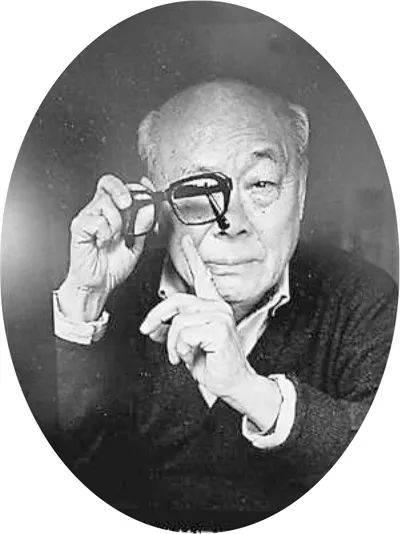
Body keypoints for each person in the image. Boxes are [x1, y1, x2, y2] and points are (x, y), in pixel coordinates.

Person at [53, 79, 397, 531]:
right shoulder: (111, 294)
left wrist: (247, 388)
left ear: (300, 193)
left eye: (261, 184)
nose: (230, 222)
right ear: (155, 205)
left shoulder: (364, 299)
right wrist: (84, 300)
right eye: (198, 189)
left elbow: (386, 479)